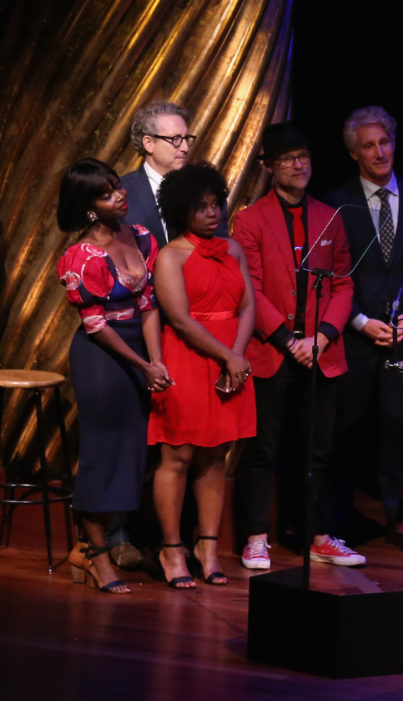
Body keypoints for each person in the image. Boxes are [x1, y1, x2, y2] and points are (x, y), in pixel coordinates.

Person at [232, 122, 363, 569]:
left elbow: (343, 283)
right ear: (269, 166)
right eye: (288, 158)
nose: (299, 164)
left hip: (321, 351)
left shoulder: (330, 215)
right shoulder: (250, 220)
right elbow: (250, 288)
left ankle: (317, 535)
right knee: (262, 449)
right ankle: (255, 537)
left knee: (318, 451)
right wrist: (289, 341)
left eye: (304, 155)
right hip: (272, 350)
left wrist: (322, 336)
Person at [323, 106, 403, 551]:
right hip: (354, 336)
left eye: (385, 142)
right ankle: (336, 523)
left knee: (401, 430)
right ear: (354, 153)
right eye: (369, 146)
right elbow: (332, 270)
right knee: (345, 432)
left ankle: (402, 520)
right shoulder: (336, 202)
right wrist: (358, 320)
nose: (379, 152)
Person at [54, 158, 172, 593]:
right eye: (106, 194)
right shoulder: (80, 257)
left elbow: (148, 305)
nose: (120, 196)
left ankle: (88, 547)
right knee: (103, 454)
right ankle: (96, 555)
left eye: (118, 186)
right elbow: (96, 325)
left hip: (140, 347)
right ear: (89, 208)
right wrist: (143, 366)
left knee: (132, 456)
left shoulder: (140, 236)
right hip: (103, 358)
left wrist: (156, 360)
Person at [145, 163, 256, 588]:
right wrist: (228, 356)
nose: (212, 213)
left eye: (215, 204)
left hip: (231, 359)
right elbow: (180, 319)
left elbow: (248, 306)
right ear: (182, 211)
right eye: (201, 207)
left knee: (215, 456)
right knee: (177, 456)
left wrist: (237, 357)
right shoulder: (171, 255)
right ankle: (171, 548)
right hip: (189, 359)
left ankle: (207, 548)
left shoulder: (234, 249)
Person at [121, 101, 226, 247]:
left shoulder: (207, 189)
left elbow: (221, 245)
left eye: (186, 139)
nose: (185, 148)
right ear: (149, 143)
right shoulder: (121, 192)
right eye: (175, 139)